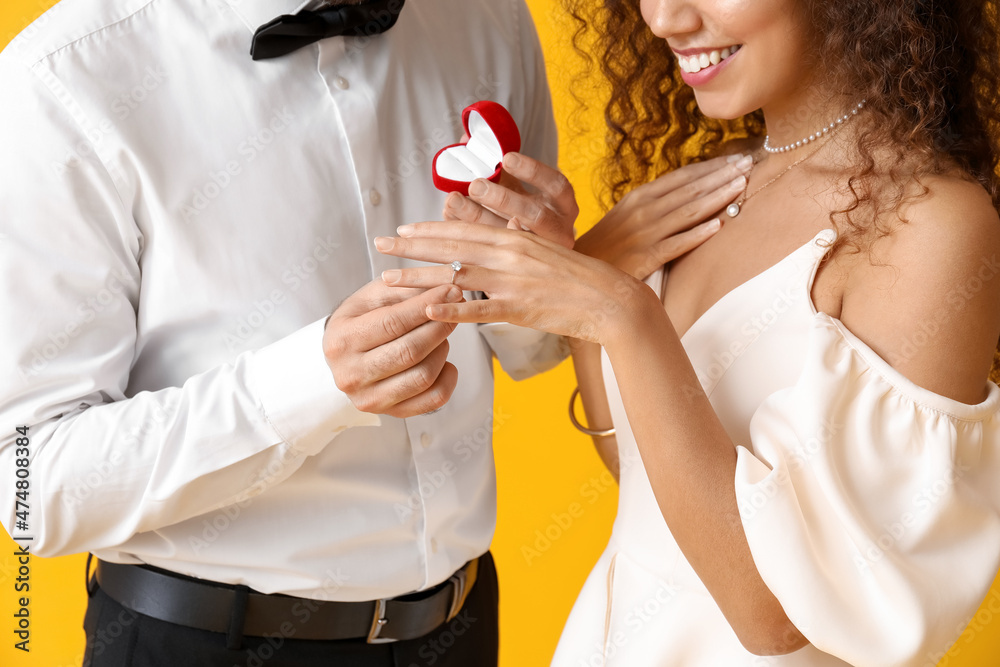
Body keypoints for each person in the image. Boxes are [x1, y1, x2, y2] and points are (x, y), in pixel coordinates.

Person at [371, 0, 1000, 664]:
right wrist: (589, 290)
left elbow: (777, 614)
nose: (664, 18)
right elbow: (648, 483)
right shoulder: (714, 185)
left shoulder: (929, 226)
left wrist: (619, 309)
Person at [0, 0, 592, 664]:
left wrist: (536, 275)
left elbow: (533, 350)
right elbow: (33, 487)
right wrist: (314, 383)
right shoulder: (61, 81)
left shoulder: (490, 19)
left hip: (461, 626)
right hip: (208, 642)